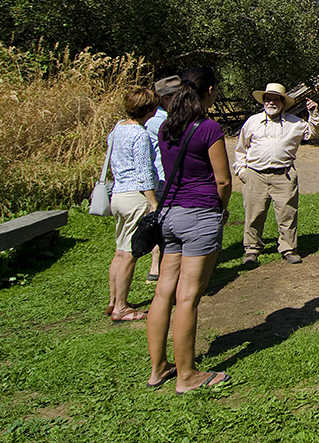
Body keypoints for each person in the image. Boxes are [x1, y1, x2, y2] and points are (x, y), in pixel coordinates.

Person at [146, 67, 231, 393]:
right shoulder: (208, 128)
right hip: (199, 216)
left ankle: (158, 369)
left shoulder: (167, 127)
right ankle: (186, 375)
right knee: (188, 297)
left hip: (170, 216)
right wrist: (221, 208)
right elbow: (222, 180)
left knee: (163, 292)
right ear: (208, 90)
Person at [235, 82, 319, 265]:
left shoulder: (295, 123)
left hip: (284, 176)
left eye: (275, 99)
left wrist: (314, 113)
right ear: (263, 101)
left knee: (287, 214)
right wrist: (242, 171)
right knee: (254, 214)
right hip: (255, 175)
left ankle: (288, 248)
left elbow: (313, 133)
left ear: (283, 102)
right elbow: (241, 148)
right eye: (268, 99)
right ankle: (251, 250)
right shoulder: (252, 122)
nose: (271, 103)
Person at [105, 86, 160, 322]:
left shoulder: (118, 128)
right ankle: (121, 306)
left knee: (119, 251)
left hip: (117, 194)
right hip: (134, 196)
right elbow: (145, 171)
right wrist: (153, 201)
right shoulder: (140, 134)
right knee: (130, 253)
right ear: (149, 109)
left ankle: (112, 300)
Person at [142, 74, 181, 282]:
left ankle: (162, 266)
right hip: (163, 180)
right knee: (163, 222)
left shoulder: (157, 120)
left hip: (164, 179)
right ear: (166, 98)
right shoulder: (161, 122)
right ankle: (158, 266)